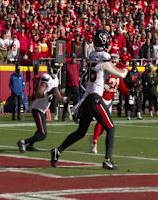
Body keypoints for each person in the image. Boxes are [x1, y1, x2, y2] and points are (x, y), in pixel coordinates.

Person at [50, 30, 128, 170]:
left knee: (81, 132)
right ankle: (108, 160)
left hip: (87, 99)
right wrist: (126, 68)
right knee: (110, 127)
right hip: (95, 99)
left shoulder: (93, 60)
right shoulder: (104, 63)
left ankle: (58, 151)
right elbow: (121, 75)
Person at [17, 72, 68, 152]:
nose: (56, 69)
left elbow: (59, 97)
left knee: (40, 130)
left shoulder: (56, 80)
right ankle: (23, 142)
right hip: (37, 109)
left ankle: (30, 145)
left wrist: (67, 99)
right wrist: (48, 93)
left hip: (42, 110)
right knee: (42, 135)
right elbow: (39, 94)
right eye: (54, 66)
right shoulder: (47, 78)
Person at [89, 51, 124, 154]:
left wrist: (130, 90)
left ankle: (94, 138)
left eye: (115, 57)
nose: (114, 59)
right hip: (102, 98)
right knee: (101, 122)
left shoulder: (116, 71)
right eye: (112, 57)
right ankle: (94, 142)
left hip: (109, 100)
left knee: (106, 125)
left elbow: (122, 87)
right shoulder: (106, 68)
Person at [62, 53, 80, 122]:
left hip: (75, 86)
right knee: (66, 102)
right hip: (69, 86)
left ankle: (75, 117)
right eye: (72, 58)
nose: (73, 59)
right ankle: (63, 117)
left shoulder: (78, 65)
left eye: (74, 58)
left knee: (75, 102)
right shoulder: (67, 65)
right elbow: (64, 73)